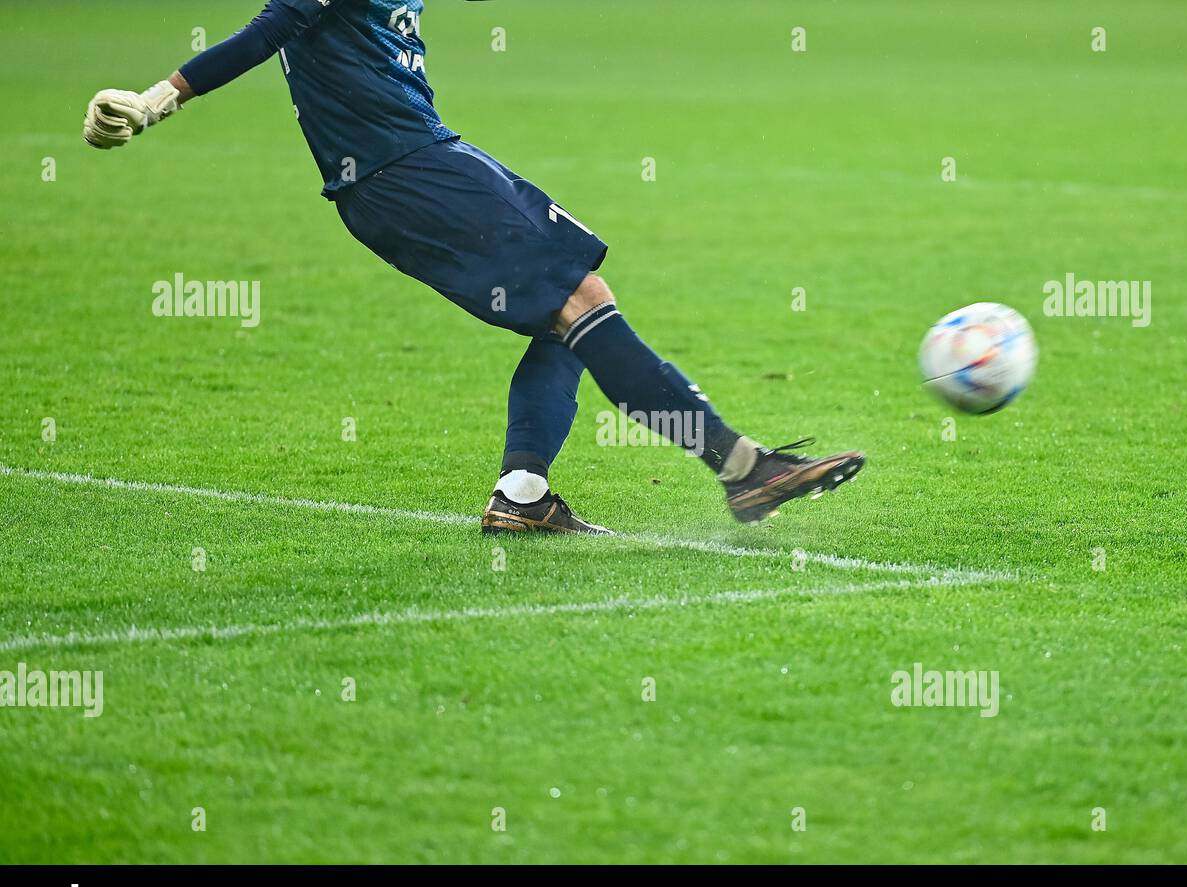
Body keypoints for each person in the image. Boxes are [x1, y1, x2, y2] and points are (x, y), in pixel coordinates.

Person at [83, 0, 864, 534]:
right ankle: (742, 468)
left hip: (407, 165)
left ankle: (523, 495)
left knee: (574, 315)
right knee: (581, 298)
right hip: (407, 169)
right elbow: (272, 27)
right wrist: (160, 99)